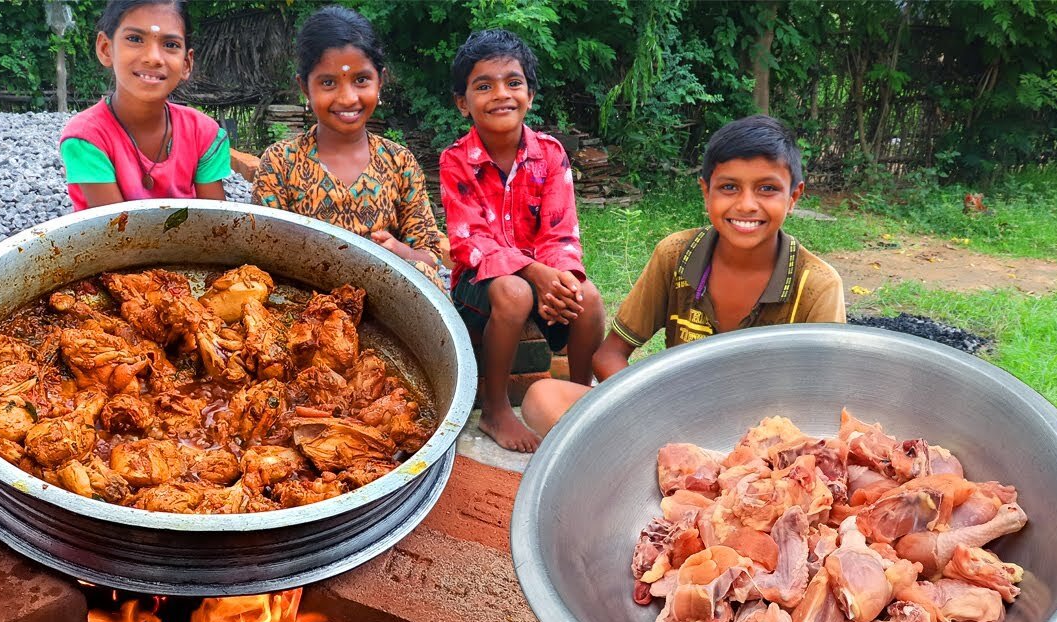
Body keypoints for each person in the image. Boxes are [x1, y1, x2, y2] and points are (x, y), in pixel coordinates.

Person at [521, 114, 847, 436]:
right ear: (706, 192)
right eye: (729, 187)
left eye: (767, 189)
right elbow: (610, 355)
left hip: (766, 441)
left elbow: (823, 402)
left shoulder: (816, 284)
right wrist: (654, 416)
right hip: (672, 420)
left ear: (793, 197)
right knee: (542, 398)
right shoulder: (676, 255)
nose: (747, 205)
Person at [440, 29, 605, 453]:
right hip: (478, 285)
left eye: (513, 82)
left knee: (587, 297)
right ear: (463, 102)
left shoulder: (549, 154)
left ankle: (579, 397)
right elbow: (468, 242)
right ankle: (496, 409)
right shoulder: (456, 160)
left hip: (541, 274)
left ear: (530, 94)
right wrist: (535, 272)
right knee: (513, 292)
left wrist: (562, 280)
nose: (501, 94)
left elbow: (560, 231)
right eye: (483, 85)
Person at [251, 6, 448, 292]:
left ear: (380, 80)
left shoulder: (399, 162)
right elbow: (264, 250)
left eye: (361, 80)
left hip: (386, 305)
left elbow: (429, 257)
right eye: (328, 82)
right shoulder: (281, 162)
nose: (347, 98)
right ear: (304, 88)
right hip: (305, 304)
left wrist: (397, 251)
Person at [59, 0, 230, 211]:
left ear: (186, 63)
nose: (153, 58)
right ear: (106, 49)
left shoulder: (205, 134)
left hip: (190, 242)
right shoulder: (87, 138)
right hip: (109, 242)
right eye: (135, 39)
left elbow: (216, 226)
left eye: (170, 45)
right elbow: (116, 231)